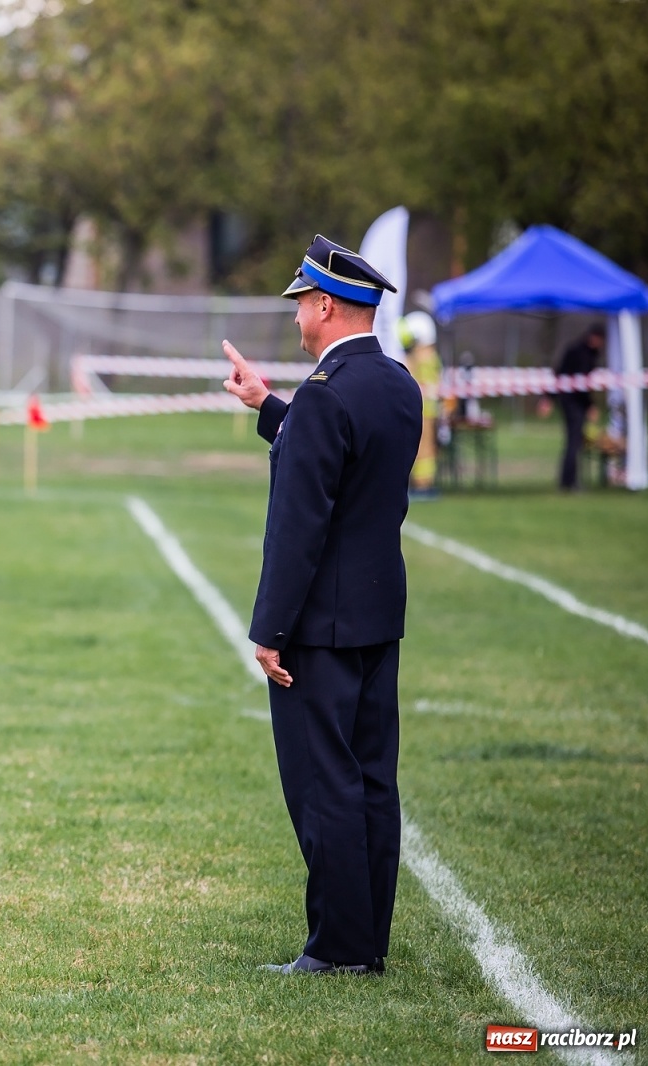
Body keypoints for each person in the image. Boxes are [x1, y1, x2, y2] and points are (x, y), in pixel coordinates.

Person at [222, 235, 420, 977]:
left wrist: (269, 630)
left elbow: (298, 527)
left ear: (328, 306)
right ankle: (366, 942)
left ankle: (337, 949)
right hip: (376, 615)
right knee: (370, 780)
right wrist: (269, 404)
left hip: (319, 627)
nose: (298, 315)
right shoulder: (396, 384)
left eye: (302, 302)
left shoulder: (326, 394)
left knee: (323, 785)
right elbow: (343, 453)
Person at [553, 324, 605, 491]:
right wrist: (590, 405)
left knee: (573, 441)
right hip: (573, 402)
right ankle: (570, 481)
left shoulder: (580, 351)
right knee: (574, 442)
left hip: (570, 400)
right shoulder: (581, 353)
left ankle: (567, 480)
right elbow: (579, 384)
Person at [397, 311, 441, 499]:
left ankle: (424, 485)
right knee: (423, 447)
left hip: (424, 409)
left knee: (424, 449)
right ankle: (421, 482)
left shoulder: (423, 356)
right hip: (424, 408)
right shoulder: (428, 355)